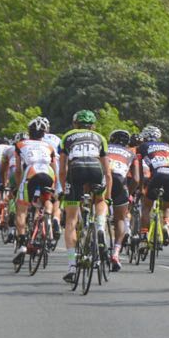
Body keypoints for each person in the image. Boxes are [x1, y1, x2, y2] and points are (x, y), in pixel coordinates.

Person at [60, 110, 109, 285]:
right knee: (100, 201)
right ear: (93, 126)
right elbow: (107, 171)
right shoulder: (100, 137)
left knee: (71, 221)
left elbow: (62, 169)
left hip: (76, 169)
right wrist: (107, 196)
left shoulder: (67, 136)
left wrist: (64, 189)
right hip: (95, 168)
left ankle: (72, 266)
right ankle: (100, 226)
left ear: (75, 124)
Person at [12, 119, 58, 268]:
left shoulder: (20, 144)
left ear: (29, 132)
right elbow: (55, 169)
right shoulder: (49, 146)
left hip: (31, 172)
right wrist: (55, 189)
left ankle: (22, 244)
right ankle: (48, 220)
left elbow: (18, 170)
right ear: (44, 134)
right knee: (47, 199)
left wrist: (18, 186)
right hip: (48, 173)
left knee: (21, 209)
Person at [136, 126, 169, 248]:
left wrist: (141, 188)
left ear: (144, 137)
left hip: (158, 173)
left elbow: (140, 169)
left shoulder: (142, 147)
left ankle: (144, 234)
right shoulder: (166, 145)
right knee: (167, 206)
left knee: (146, 206)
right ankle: (166, 224)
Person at [105, 129, 136, 269]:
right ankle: (116, 253)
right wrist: (129, 192)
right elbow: (136, 179)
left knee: (98, 209)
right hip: (120, 181)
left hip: (104, 178)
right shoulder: (131, 153)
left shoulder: (105, 147)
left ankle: (98, 232)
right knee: (120, 219)